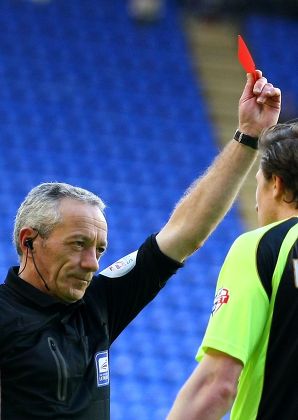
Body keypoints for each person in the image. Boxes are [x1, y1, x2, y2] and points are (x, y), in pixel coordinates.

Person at [0, 71, 280, 420]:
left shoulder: (97, 304)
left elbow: (183, 234)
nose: (92, 263)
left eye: (99, 250)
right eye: (78, 244)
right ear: (29, 241)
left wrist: (248, 135)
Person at [166, 120, 298, 419]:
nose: (255, 202)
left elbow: (218, 384)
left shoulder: (263, 246)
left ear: (275, 184)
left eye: (258, 183)